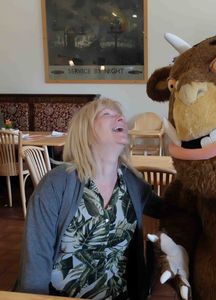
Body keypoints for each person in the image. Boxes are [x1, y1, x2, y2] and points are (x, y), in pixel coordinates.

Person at [15, 98, 169, 299]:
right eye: (107, 114)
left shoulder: (133, 183)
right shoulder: (56, 184)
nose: (120, 117)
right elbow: (35, 260)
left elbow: (170, 209)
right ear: (85, 132)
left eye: (120, 114)